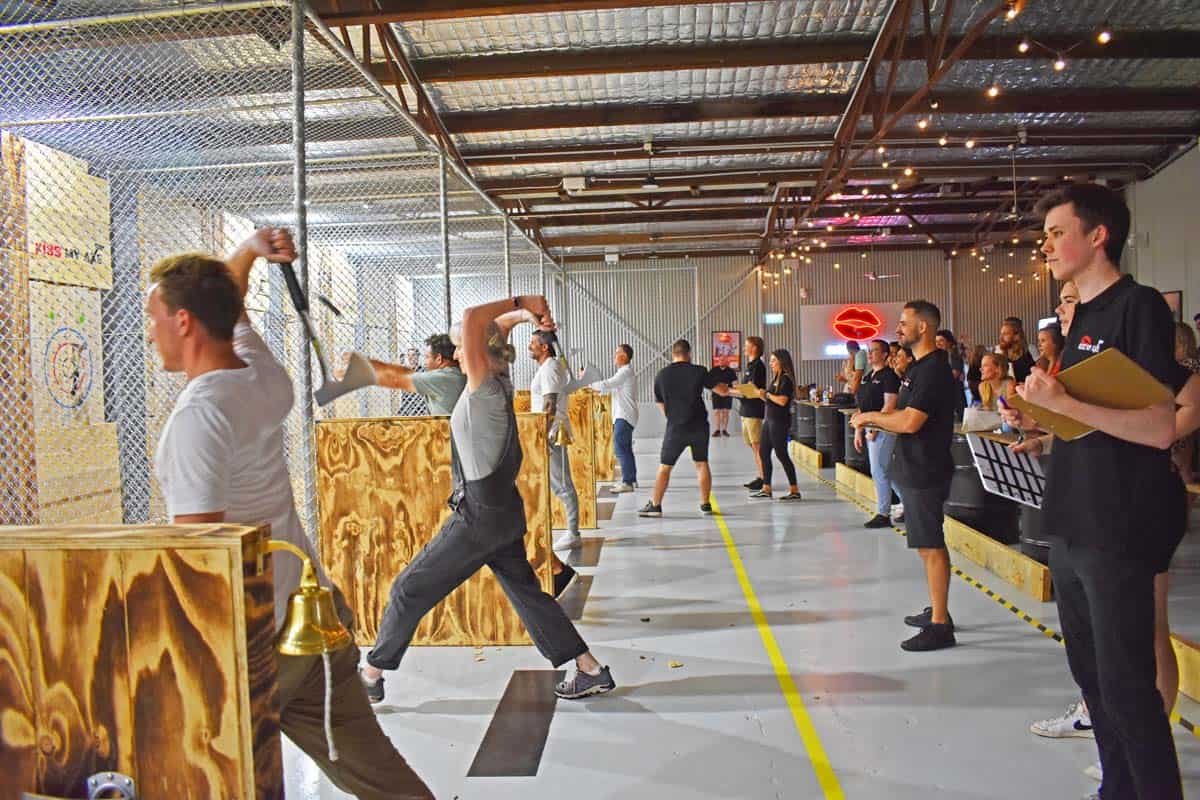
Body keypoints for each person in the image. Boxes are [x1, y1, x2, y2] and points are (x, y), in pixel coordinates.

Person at [147, 229, 433, 799]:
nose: (150, 330)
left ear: (183, 322)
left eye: (154, 315)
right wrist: (251, 250)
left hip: (257, 646)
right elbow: (229, 300)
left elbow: (203, 558)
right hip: (314, 625)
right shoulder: (261, 376)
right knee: (384, 783)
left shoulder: (198, 418)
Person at [1000, 183, 1183, 800]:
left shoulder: (1140, 307)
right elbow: (1095, 422)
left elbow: (1158, 427)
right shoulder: (1079, 322)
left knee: (1129, 687)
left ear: (1097, 235)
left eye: (1056, 232)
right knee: (1094, 682)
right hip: (1073, 519)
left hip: (1120, 522)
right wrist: (1045, 418)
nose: (1046, 245)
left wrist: (1065, 402)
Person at [361, 295, 616, 703]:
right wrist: (521, 316)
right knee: (529, 596)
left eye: (462, 345)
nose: (458, 350)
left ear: (477, 350)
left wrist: (522, 301)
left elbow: (471, 319)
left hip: (479, 517)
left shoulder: (481, 387)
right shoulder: (499, 376)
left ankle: (371, 674)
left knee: (409, 589)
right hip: (501, 512)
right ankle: (589, 669)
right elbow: (492, 330)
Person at [851, 301, 959, 652]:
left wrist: (870, 418)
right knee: (925, 547)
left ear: (924, 327)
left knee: (931, 545)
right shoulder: (917, 369)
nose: (899, 329)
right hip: (913, 466)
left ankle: (941, 624)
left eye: (904, 323)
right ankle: (937, 608)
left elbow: (911, 420)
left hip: (926, 468)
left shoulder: (932, 371)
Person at [638, 339, 728, 517]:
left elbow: (660, 403)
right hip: (699, 426)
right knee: (701, 463)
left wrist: (672, 417)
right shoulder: (699, 371)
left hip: (676, 427)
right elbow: (722, 391)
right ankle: (705, 504)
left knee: (665, 467)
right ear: (689, 354)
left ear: (673, 354)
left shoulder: (662, 375)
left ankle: (655, 505)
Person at [529, 330, 583, 552]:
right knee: (557, 483)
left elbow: (549, 404)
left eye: (533, 343)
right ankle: (571, 531)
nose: (529, 346)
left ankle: (573, 533)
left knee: (562, 483)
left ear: (544, 347)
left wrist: (542, 431)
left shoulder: (550, 367)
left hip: (552, 432)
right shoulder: (547, 367)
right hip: (548, 431)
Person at [855, 339, 901, 528]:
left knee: (878, 470)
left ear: (884, 354)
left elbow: (889, 405)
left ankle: (883, 513)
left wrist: (875, 427)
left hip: (883, 428)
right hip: (868, 426)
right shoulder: (867, 376)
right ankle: (907, 504)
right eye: (869, 350)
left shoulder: (889, 376)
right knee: (886, 470)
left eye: (874, 350)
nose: (870, 354)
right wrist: (859, 429)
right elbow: (862, 407)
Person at [362, 332, 467, 415]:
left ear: (439, 359)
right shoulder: (460, 374)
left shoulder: (441, 378)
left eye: (427, 357)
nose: (425, 362)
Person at [749, 349, 802, 501]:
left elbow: (782, 400)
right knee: (763, 452)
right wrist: (761, 395)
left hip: (779, 422)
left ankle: (794, 489)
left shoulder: (786, 379)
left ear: (781, 361)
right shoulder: (776, 379)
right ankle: (766, 487)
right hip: (769, 420)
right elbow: (772, 399)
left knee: (782, 454)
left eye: (773, 361)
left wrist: (766, 394)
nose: (771, 364)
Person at [589, 343, 639, 492]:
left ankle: (627, 483)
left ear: (624, 356)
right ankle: (631, 480)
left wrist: (588, 385)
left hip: (624, 416)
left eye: (617, 353)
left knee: (620, 448)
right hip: (624, 415)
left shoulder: (625, 372)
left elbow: (608, 383)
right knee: (626, 448)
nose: (614, 356)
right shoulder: (624, 373)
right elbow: (610, 389)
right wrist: (597, 390)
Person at [738, 336, 769, 490]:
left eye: (746, 345)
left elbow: (754, 390)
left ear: (755, 348)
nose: (744, 348)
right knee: (753, 445)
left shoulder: (758, 366)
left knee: (757, 446)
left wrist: (734, 390)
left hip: (753, 412)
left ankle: (764, 480)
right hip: (746, 410)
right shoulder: (750, 366)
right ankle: (761, 475)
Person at [1171, 322, 1200, 482]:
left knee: (1182, 471)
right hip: (1191, 426)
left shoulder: (1184, 368)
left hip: (1182, 423)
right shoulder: (1195, 363)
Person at [936, 329, 966, 415]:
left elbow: (954, 374)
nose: (938, 343)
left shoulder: (953, 355)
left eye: (941, 340)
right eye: (936, 341)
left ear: (949, 343)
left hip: (955, 398)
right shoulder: (939, 357)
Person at [998, 317, 1036, 383]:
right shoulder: (999, 353)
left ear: (1016, 336)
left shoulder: (1030, 349)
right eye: (1001, 334)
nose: (1001, 337)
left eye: (1005, 334)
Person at [709, 356, 738, 437]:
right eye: (720, 360)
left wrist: (734, 388)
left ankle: (725, 430)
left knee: (726, 412)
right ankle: (717, 430)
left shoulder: (731, 371)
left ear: (727, 361)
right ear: (718, 361)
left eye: (724, 360)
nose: (722, 361)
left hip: (727, 394)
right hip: (716, 394)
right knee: (716, 412)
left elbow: (735, 382)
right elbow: (708, 382)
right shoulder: (713, 370)